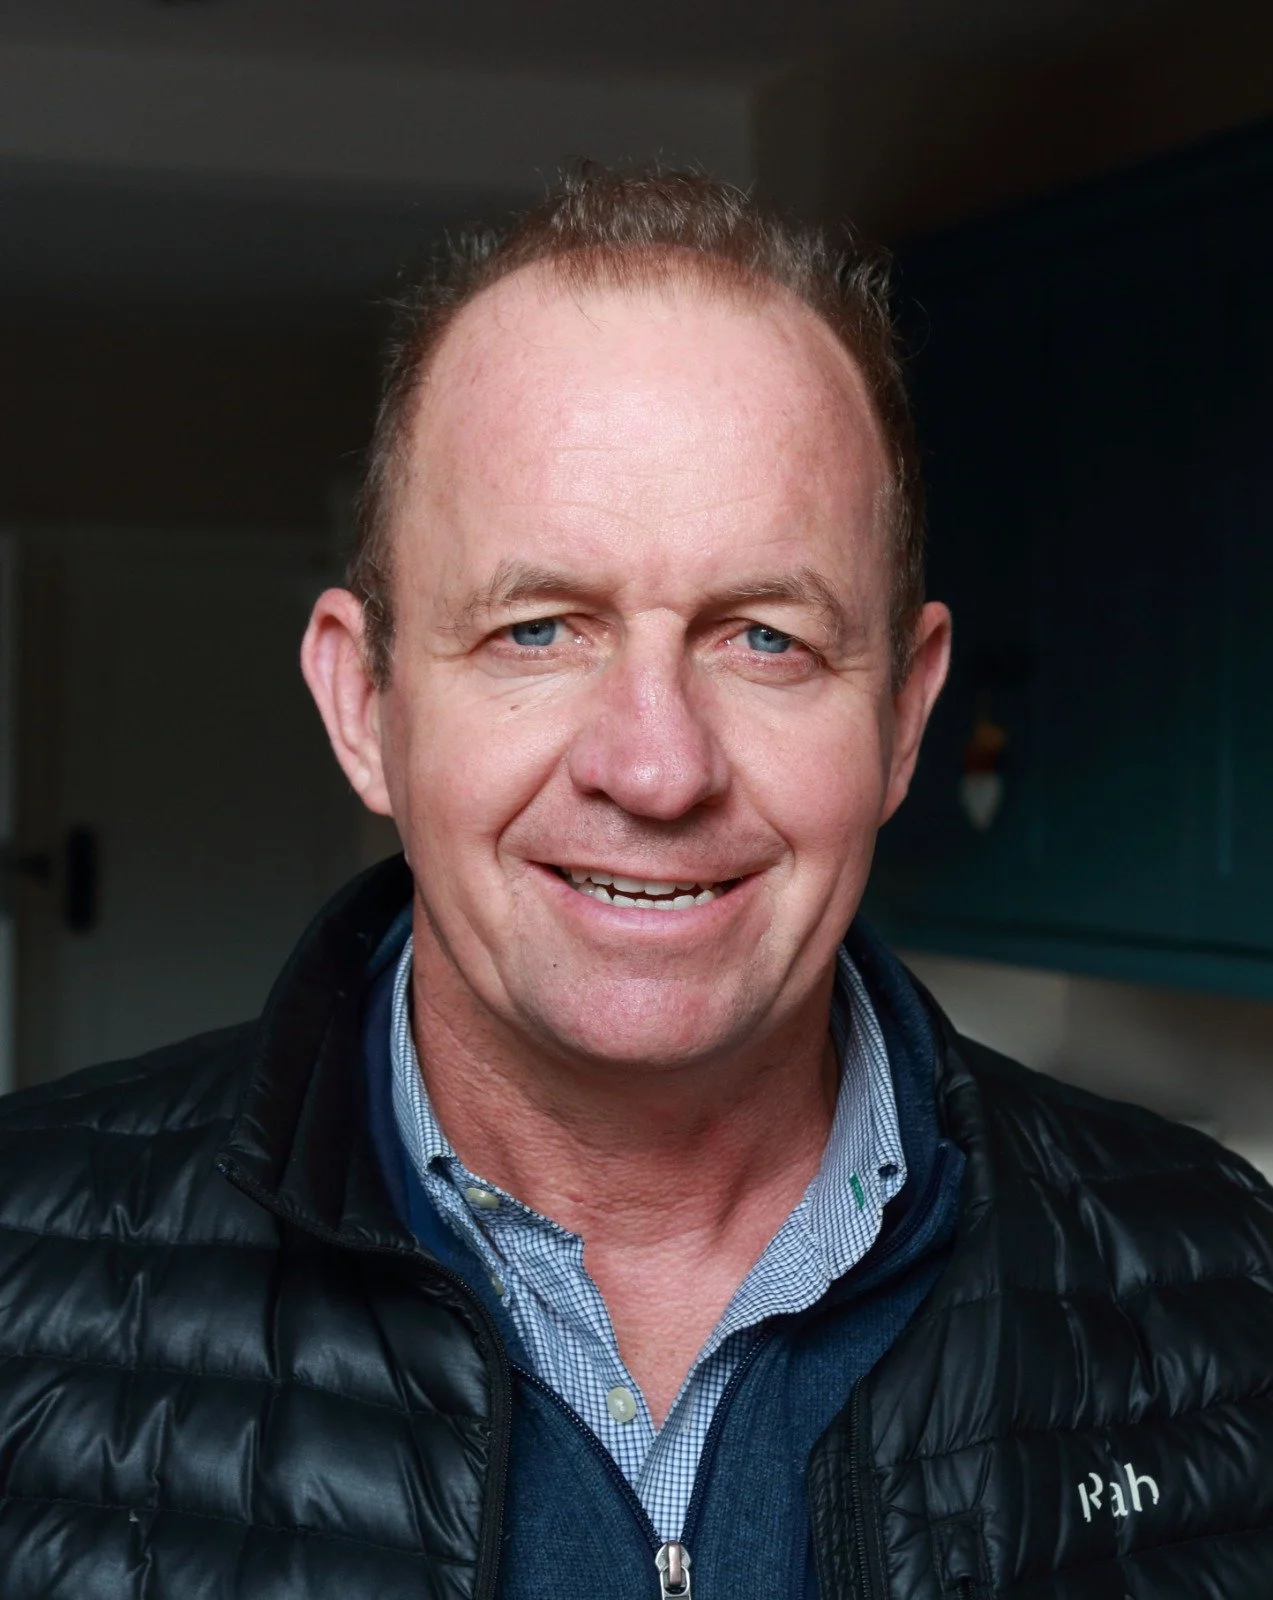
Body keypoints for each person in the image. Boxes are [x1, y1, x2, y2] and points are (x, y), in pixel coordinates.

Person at [2, 168, 1271, 1600]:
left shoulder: (1224, 1280)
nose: (657, 768)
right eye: (540, 631)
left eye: (766, 640)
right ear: (365, 704)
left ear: (906, 717)